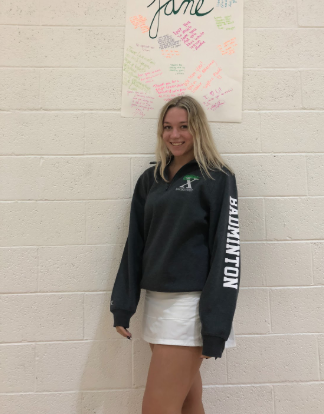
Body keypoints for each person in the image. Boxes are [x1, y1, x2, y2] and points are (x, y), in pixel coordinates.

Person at [110, 95, 241, 414]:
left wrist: (215, 326)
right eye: (168, 127)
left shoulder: (217, 177)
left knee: (156, 409)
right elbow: (136, 243)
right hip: (157, 302)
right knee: (187, 402)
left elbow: (228, 254)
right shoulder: (150, 180)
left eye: (184, 126)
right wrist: (123, 304)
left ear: (198, 129)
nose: (175, 134)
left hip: (190, 308)